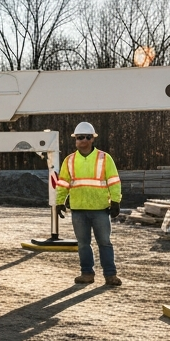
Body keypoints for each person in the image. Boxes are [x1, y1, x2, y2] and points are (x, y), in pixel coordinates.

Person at [55, 121, 123, 286]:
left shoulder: (104, 158)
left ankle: (110, 275)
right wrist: (59, 202)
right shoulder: (69, 160)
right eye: (79, 137)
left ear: (92, 139)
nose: (83, 140)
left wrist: (115, 201)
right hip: (78, 209)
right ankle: (87, 273)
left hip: (100, 209)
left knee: (105, 243)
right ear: (75, 140)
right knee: (83, 244)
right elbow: (63, 182)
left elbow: (114, 181)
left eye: (86, 137)